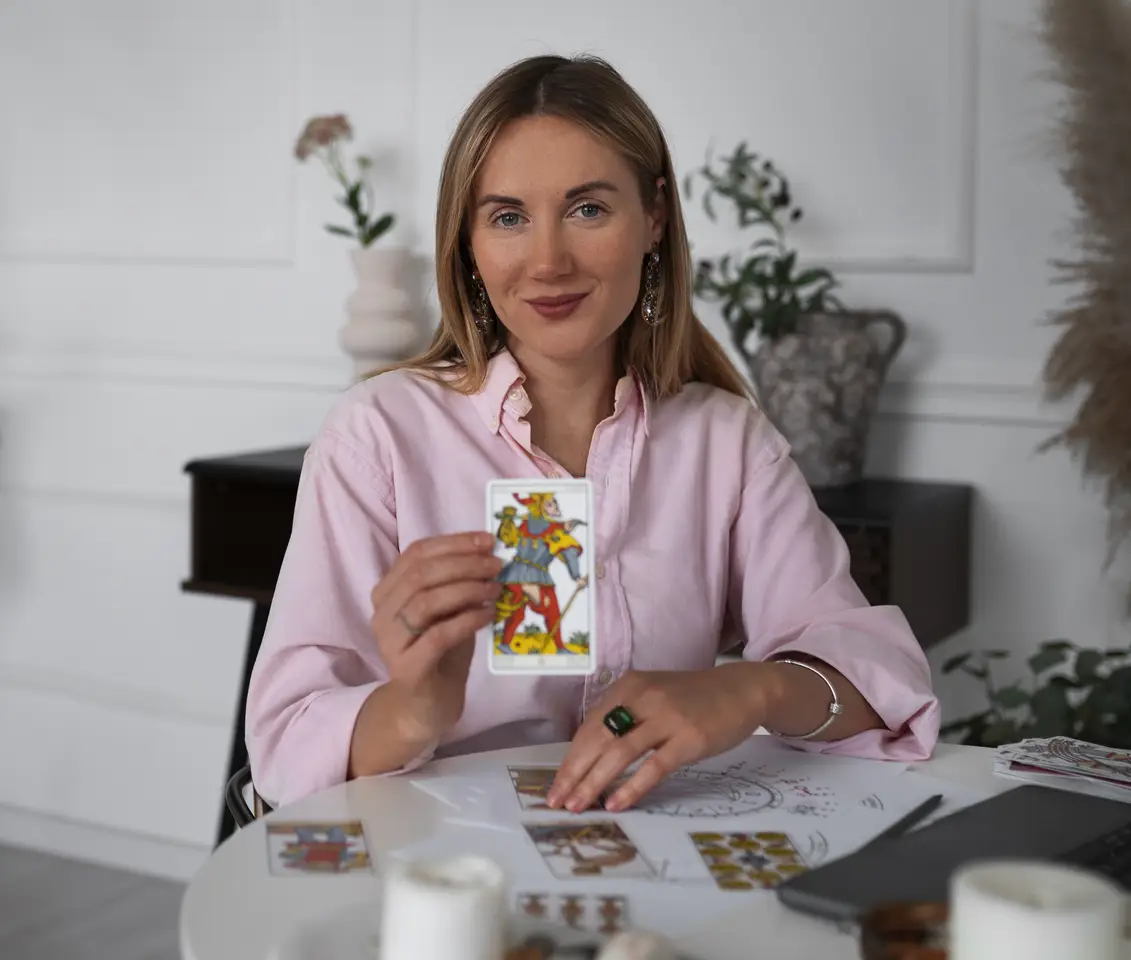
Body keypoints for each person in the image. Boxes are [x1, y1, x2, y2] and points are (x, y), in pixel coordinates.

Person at [245, 53, 940, 814]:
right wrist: (417, 706)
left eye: (587, 209)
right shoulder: (376, 437)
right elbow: (283, 749)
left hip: (653, 869)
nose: (548, 261)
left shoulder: (725, 442)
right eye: (508, 216)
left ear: (655, 219)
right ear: (468, 244)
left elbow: (883, 682)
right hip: (441, 876)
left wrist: (749, 688)